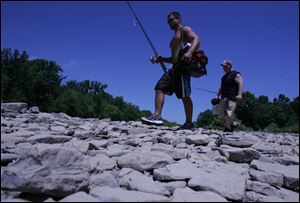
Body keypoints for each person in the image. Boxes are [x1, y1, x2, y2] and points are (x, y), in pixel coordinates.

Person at [141, 11, 201, 130]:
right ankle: (157, 116)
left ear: (178, 19)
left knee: (185, 96)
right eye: (168, 21)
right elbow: (174, 59)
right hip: (174, 68)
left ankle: (189, 123)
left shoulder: (184, 30)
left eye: (171, 19)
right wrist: (162, 59)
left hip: (183, 69)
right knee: (160, 87)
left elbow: (196, 39)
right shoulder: (173, 38)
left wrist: (189, 52)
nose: (169, 22)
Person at [216, 59, 244, 132]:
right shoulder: (224, 77)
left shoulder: (236, 74)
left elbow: (241, 82)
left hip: (232, 96)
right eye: (223, 66)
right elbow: (221, 86)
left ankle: (228, 128)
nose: (223, 68)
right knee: (221, 113)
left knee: (229, 113)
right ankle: (233, 123)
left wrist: (240, 94)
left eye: (225, 66)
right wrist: (217, 95)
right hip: (223, 96)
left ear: (229, 65)